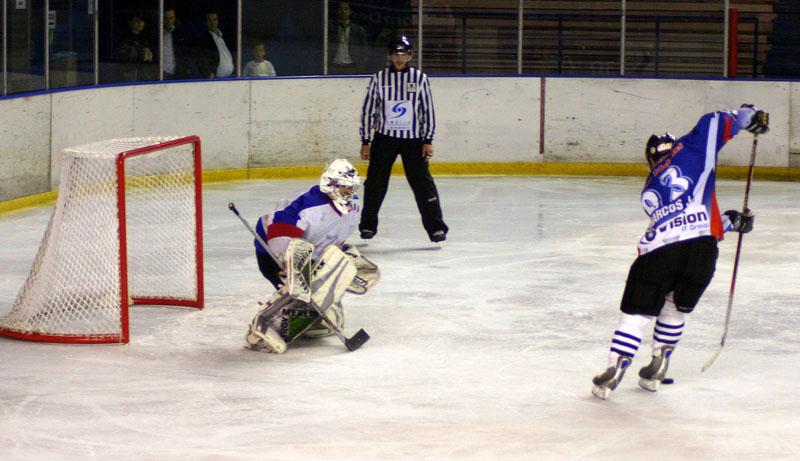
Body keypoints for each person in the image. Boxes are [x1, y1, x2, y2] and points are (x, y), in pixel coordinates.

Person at [591, 104, 770, 400]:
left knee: (636, 314)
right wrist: (747, 115)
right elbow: (715, 121)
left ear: (651, 158)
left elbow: (677, 221)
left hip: (659, 252)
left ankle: (616, 365)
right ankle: (659, 365)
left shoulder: (650, 185)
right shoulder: (689, 149)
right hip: (702, 251)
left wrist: (730, 220)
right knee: (674, 307)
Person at [246, 159, 380, 353]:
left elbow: (337, 235)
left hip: (310, 251)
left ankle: (315, 318)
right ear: (330, 184)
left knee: (326, 283)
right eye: (344, 188)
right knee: (299, 292)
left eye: (352, 187)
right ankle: (260, 330)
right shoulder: (306, 206)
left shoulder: (353, 206)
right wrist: (288, 265)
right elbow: (278, 231)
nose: (349, 193)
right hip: (272, 253)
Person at [358, 35, 449, 243]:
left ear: (409, 56)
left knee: (423, 184)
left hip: (414, 140)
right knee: (375, 183)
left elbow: (428, 110)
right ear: (389, 55)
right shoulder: (379, 79)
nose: (399, 58)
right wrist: (365, 140)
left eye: (403, 54)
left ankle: (436, 227)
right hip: (384, 139)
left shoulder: (419, 79)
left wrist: (428, 139)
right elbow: (368, 110)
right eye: (396, 54)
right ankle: (368, 225)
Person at [329, 1, 369, 75]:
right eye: (340, 9)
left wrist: (360, 67)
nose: (343, 11)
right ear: (337, 11)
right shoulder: (330, 29)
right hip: (334, 67)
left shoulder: (358, 30)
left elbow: (364, 50)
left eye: (346, 9)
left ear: (350, 11)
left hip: (351, 67)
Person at [114, 13, 155, 82]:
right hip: (129, 74)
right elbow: (123, 56)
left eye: (142, 21)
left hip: (143, 74)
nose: (140, 23)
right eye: (136, 21)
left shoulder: (146, 38)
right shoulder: (125, 38)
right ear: (130, 23)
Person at [196, 11, 234, 78]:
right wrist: (207, 72)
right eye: (209, 20)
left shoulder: (225, 37)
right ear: (205, 22)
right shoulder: (203, 40)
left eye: (214, 19)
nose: (212, 23)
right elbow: (201, 58)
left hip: (231, 78)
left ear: (218, 21)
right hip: (216, 79)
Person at [162, 8, 189, 79]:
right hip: (162, 74)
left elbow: (187, 53)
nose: (169, 21)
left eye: (171, 18)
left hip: (179, 74)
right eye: (166, 18)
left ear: (175, 18)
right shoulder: (157, 35)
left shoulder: (181, 34)